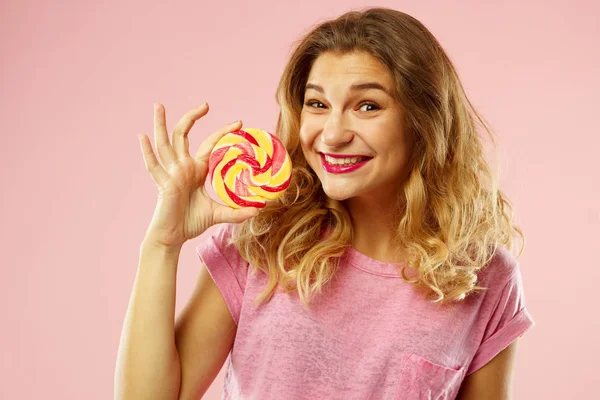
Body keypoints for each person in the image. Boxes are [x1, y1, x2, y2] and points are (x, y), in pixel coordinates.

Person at [115, 7, 535, 400]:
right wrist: (162, 245)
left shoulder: (485, 278)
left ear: (423, 120)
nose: (332, 135)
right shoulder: (262, 240)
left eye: (367, 106)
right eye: (317, 104)